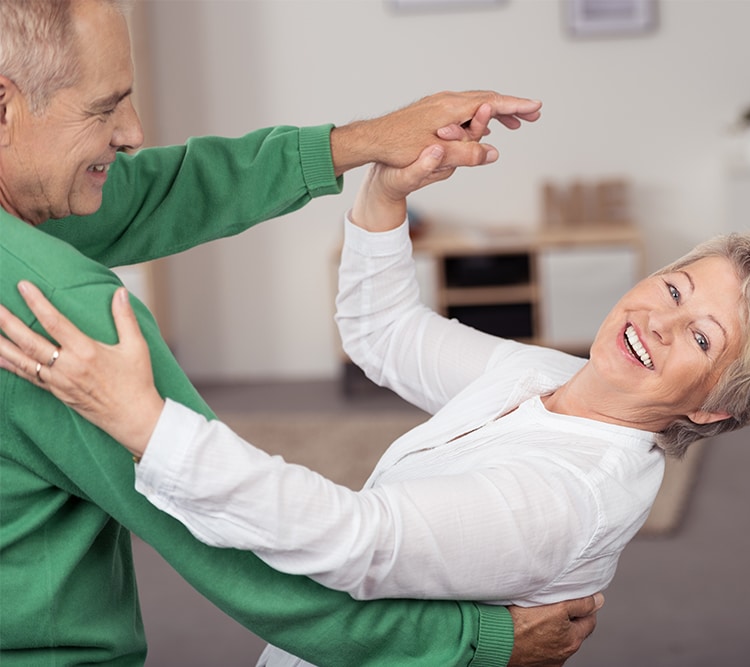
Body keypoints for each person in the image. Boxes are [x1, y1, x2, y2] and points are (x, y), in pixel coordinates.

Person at [1, 124, 750, 664]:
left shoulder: (570, 498)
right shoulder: (546, 377)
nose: (660, 319)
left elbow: (356, 541)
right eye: (678, 289)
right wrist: (385, 195)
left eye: (702, 338)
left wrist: (145, 422)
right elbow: (386, 334)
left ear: (714, 406)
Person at [0, 0, 603, 665]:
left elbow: (160, 189)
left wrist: (365, 139)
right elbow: (230, 532)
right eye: (105, 106)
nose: (133, 131)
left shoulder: (30, 224)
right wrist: (475, 641)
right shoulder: (58, 313)